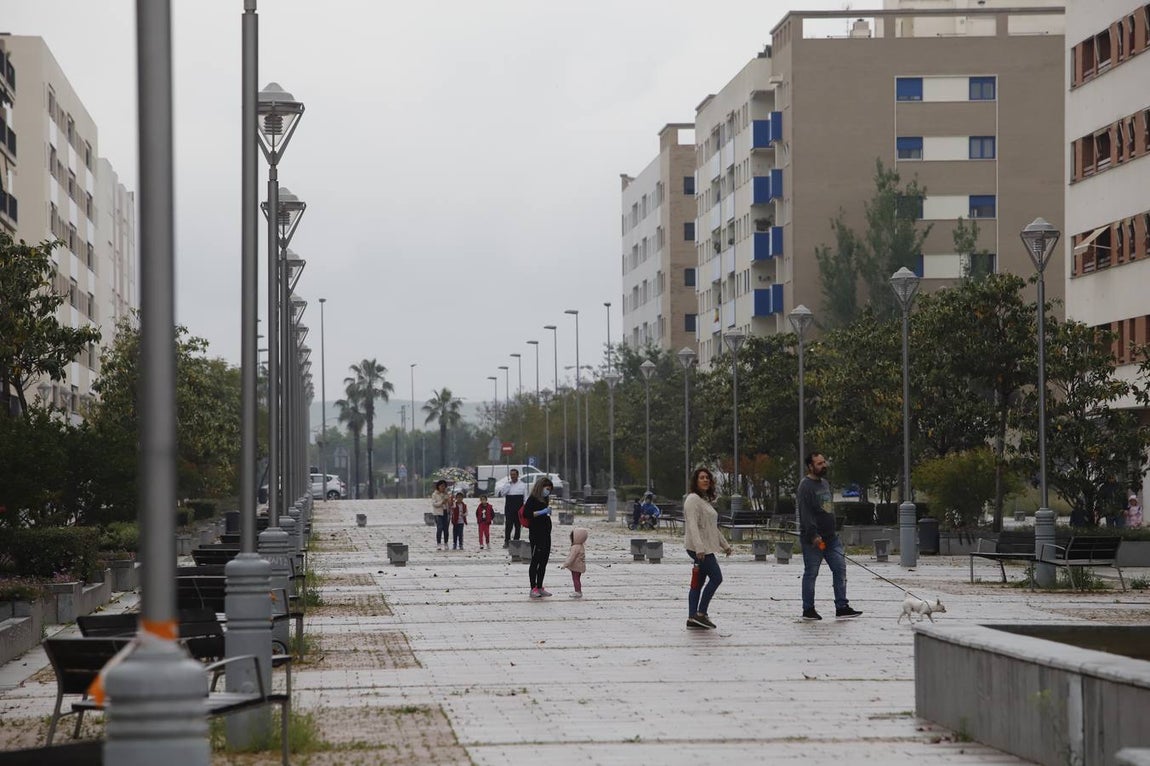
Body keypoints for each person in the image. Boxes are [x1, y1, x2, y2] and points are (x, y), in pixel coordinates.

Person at [798, 452, 861, 620]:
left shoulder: (825, 483)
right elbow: (806, 514)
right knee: (811, 573)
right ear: (810, 466)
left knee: (840, 569)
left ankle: (842, 606)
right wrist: (813, 535)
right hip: (814, 540)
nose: (823, 465)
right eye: (819, 463)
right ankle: (808, 609)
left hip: (831, 538)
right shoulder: (805, 486)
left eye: (824, 462)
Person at [683, 467, 731, 630]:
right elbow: (692, 526)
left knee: (698, 583)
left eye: (707, 478)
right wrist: (699, 549)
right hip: (699, 548)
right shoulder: (692, 500)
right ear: (695, 481)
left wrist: (725, 545)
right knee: (717, 578)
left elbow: (711, 527)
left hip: (705, 547)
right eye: (702, 477)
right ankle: (701, 614)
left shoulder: (703, 501)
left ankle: (692, 617)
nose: (705, 480)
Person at [524, 477, 555, 598]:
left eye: (550, 490)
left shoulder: (545, 499)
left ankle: (540, 585)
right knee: (536, 560)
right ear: (541, 487)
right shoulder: (532, 499)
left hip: (546, 533)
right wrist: (541, 512)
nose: (548, 491)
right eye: (547, 489)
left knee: (544, 561)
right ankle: (533, 587)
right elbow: (527, 514)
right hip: (536, 534)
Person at [497, 468, 528, 548]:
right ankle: (507, 541)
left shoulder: (523, 485)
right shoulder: (507, 484)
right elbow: (502, 494)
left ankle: (516, 541)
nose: (512, 476)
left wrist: (525, 509)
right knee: (508, 525)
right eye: (511, 475)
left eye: (514, 475)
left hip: (519, 507)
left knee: (518, 525)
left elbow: (526, 498)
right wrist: (507, 488)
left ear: (517, 475)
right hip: (509, 507)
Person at [559, 527, 588, 599]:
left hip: (576, 567)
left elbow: (571, 557)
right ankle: (578, 591)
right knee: (577, 579)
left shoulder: (575, 547)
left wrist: (565, 565)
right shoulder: (581, 546)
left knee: (575, 579)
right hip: (580, 566)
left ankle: (578, 591)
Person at [430, 480, 451, 550]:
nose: (443, 487)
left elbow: (450, 504)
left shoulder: (446, 494)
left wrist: (449, 500)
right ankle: (438, 543)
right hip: (438, 513)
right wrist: (442, 502)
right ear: (438, 486)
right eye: (442, 486)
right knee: (439, 528)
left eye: (444, 486)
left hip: (446, 513)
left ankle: (446, 543)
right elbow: (434, 504)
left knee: (446, 529)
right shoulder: (435, 494)